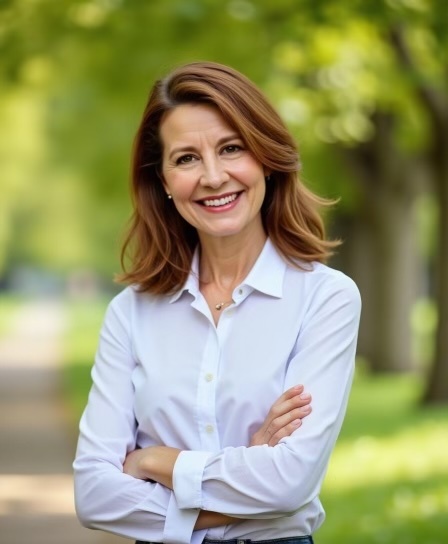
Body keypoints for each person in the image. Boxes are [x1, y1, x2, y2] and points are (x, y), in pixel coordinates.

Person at [73, 61, 361, 544]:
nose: (212, 176)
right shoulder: (131, 313)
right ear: (162, 180)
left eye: (231, 149)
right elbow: (94, 495)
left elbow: (290, 481)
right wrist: (244, 477)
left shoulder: (325, 298)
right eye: (186, 158)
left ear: (266, 157)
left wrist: (154, 462)